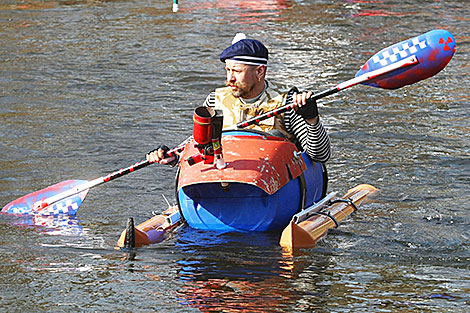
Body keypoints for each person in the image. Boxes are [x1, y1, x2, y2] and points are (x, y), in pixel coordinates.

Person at [147, 34, 331, 165]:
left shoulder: (288, 102)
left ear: (260, 72)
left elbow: (320, 156)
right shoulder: (215, 101)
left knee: (276, 137)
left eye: (236, 71)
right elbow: (199, 143)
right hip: (228, 177)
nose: (230, 79)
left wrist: (312, 120)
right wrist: (175, 156)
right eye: (228, 71)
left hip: (277, 186)